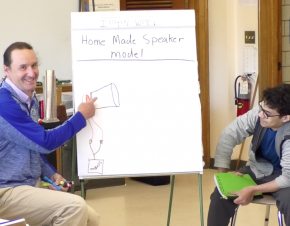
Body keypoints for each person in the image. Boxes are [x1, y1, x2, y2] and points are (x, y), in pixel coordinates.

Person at [0, 42, 100, 226]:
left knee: (91, 216)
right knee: (74, 207)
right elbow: (45, 142)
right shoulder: (4, 104)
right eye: (23, 67)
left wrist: (52, 174)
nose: (31, 73)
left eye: (34, 65)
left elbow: (32, 149)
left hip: (26, 187)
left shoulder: (28, 98)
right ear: (7, 70)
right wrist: (80, 117)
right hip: (6, 191)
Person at [207, 83, 290, 226]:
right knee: (220, 195)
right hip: (257, 169)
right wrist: (224, 176)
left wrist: (253, 189)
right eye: (261, 108)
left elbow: (287, 178)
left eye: (267, 114)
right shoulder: (260, 113)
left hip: (284, 177)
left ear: (285, 118)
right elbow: (229, 134)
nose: (260, 115)